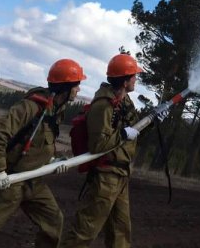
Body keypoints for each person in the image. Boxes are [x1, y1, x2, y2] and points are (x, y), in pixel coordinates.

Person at [0, 58, 87, 248]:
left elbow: (38, 143)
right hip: (10, 182)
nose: (79, 90)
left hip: (34, 181)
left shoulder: (55, 109)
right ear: (65, 87)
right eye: (77, 85)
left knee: (53, 223)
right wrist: (0, 171)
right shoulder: (31, 107)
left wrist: (51, 161)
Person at [61, 53, 167, 248]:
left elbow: (132, 133)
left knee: (120, 232)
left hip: (121, 175)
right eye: (134, 75)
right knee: (84, 231)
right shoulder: (104, 105)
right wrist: (125, 134)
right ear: (125, 80)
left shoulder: (125, 102)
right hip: (105, 176)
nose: (136, 79)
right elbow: (99, 145)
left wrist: (152, 122)